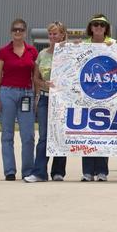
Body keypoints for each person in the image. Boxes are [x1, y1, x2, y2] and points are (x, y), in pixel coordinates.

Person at [0, 18, 38, 181]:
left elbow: (36, 76)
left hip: (26, 93)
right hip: (7, 93)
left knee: (28, 135)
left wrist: (36, 96)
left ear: (25, 32)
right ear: (11, 32)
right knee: (7, 134)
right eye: (15, 30)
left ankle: (28, 170)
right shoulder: (3, 51)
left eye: (20, 30)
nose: (17, 32)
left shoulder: (32, 51)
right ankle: (10, 170)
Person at [29, 21, 68, 182]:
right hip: (46, 98)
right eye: (50, 34)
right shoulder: (42, 54)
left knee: (59, 135)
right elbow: (35, 78)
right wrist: (43, 84)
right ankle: (39, 172)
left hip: (62, 100)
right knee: (44, 136)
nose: (52, 37)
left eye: (56, 33)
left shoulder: (68, 52)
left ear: (62, 35)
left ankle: (58, 172)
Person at [79, 14, 115, 181]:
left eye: (102, 25)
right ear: (91, 27)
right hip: (87, 93)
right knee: (87, 133)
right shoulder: (83, 45)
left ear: (106, 28)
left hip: (106, 95)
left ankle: (102, 171)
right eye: (95, 24)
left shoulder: (112, 44)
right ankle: (87, 171)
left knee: (102, 134)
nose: (99, 27)